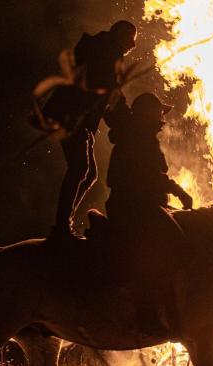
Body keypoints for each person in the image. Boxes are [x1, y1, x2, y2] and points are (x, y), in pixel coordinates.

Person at [45, 20, 138, 240]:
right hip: (71, 117)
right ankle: (61, 228)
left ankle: (63, 223)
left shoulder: (102, 47)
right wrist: (130, 117)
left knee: (88, 174)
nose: (133, 45)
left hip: (73, 117)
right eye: (131, 38)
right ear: (119, 33)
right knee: (80, 169)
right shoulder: (107, 50)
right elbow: (110, 92)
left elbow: (105, 96)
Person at [104, 93, 193, 236]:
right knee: (177, 239)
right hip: (134, 207)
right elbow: (152, 177)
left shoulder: (136, 136)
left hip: (137, 204)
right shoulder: (139, 140)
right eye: (159, 114)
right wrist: (180, 192)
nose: (162, 119)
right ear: (149, 116)